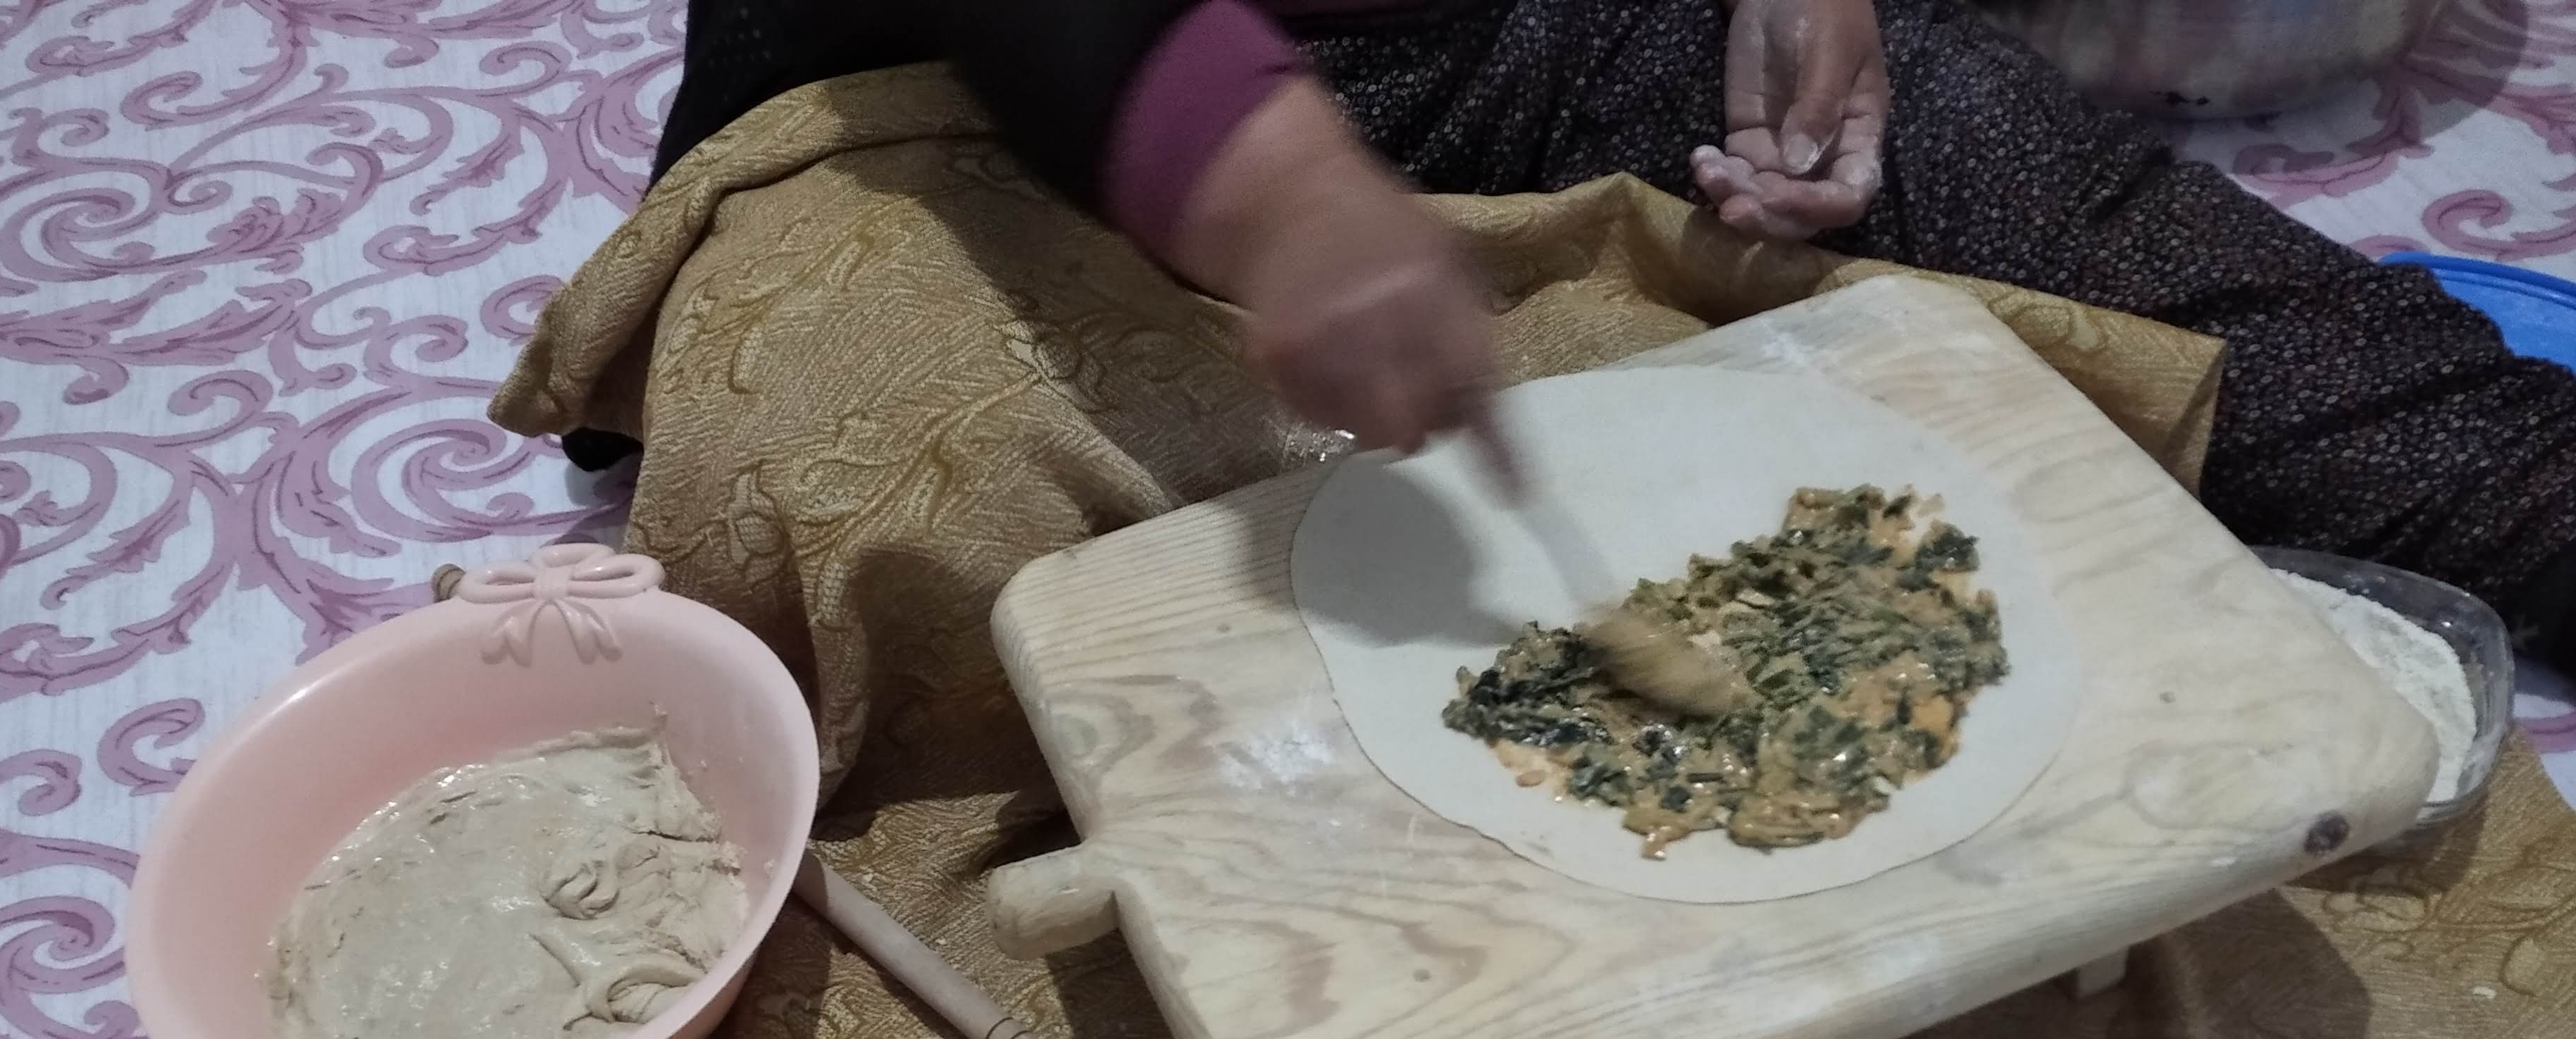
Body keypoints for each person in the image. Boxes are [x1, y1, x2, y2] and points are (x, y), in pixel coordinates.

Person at [640, 0, 2576, 668]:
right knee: (846, 457)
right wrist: (1285, 194)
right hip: (977, 108)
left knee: (2001, 165)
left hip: (1504, 35)